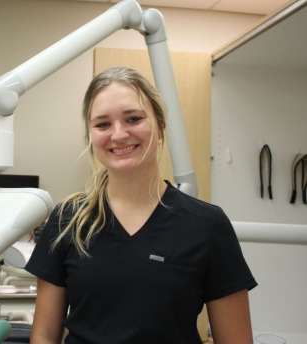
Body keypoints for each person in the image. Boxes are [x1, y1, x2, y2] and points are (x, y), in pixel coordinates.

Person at [24, 66, 257, 344]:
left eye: (133, 119)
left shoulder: (207, 225)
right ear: (90, 136)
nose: (119, 134)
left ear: (159, 126)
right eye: (102, 124)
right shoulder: (67, 221)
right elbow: (44, 337)